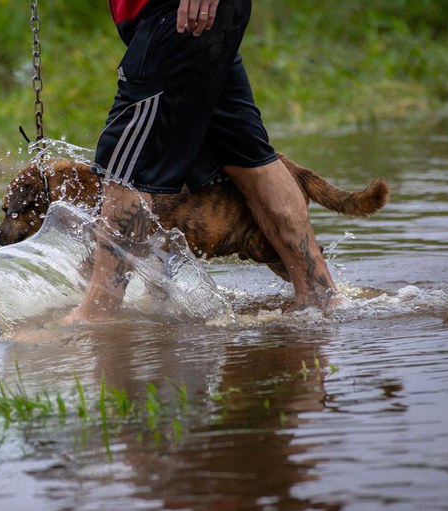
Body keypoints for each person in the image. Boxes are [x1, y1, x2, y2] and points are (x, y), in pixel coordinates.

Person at [63, 0, 342, 324]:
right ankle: (321, 297)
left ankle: (96, 315)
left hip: (179, 12)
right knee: (248, 157)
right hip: (198, 14)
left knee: (125, 164)